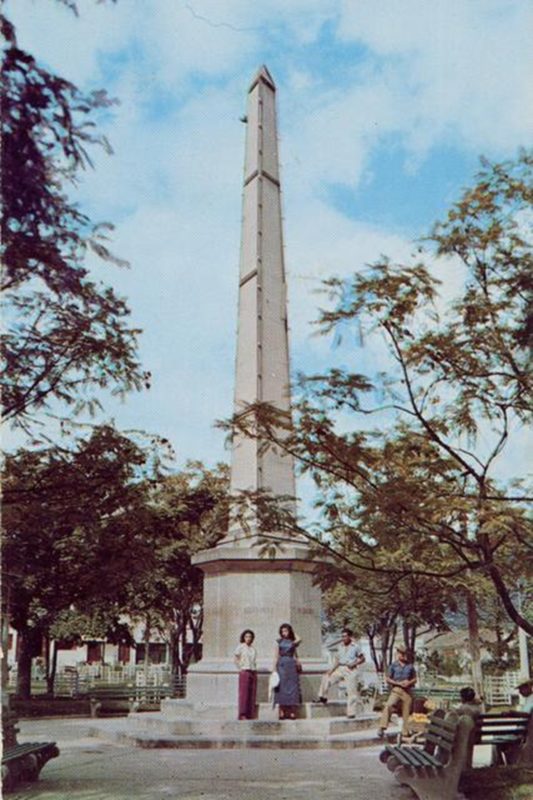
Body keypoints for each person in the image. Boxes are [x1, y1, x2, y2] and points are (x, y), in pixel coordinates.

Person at [316, 628, 365, 718]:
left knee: (351, 691)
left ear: (350, 637)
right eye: (342, 636)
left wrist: (354, 663)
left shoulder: (355, 646)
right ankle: (322, 696)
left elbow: (362, 659)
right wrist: (331, 670)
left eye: (345, 636)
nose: (343, 638)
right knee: (326, 677)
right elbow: (337, 660)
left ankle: (351, 712)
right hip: (340, 667)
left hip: (350, 668)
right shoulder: (340, 646)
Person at [377, 644, 417, 738]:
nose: (402, 655)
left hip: (407, 691)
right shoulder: (393, 666)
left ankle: (405, 732)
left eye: (403, 653)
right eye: (400, 653)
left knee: (407, 711)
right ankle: (382, 727)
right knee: (388, 706)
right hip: (396, 689)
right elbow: (387, 679)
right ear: (397, 654)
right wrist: (398, 683)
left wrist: (409, 682)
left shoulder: (410, 666)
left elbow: (415, 679)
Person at [273, 623, 301, 720]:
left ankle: (292, 711)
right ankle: (282, 711)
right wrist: (274, 668)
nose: (284, 633)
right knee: (282, 688)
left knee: (293, 687)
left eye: (286, 630)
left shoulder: (293, 642)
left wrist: (298, 662)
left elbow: (299, 640)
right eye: (283, 631)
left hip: (291, 664)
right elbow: (276, 656)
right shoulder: (279, 641)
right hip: (282, 664)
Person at [234, 629, 257, 720]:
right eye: (246, 636)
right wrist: (240, 667)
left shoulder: (253, 649)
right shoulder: (241, 647)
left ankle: (249, 713)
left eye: (250, 637)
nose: (248, 638)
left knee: (251, 693)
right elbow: (236, 658)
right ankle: (242, 714)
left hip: (253, 671)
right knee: (244, 694)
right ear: (243, 637)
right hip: (244, 671)